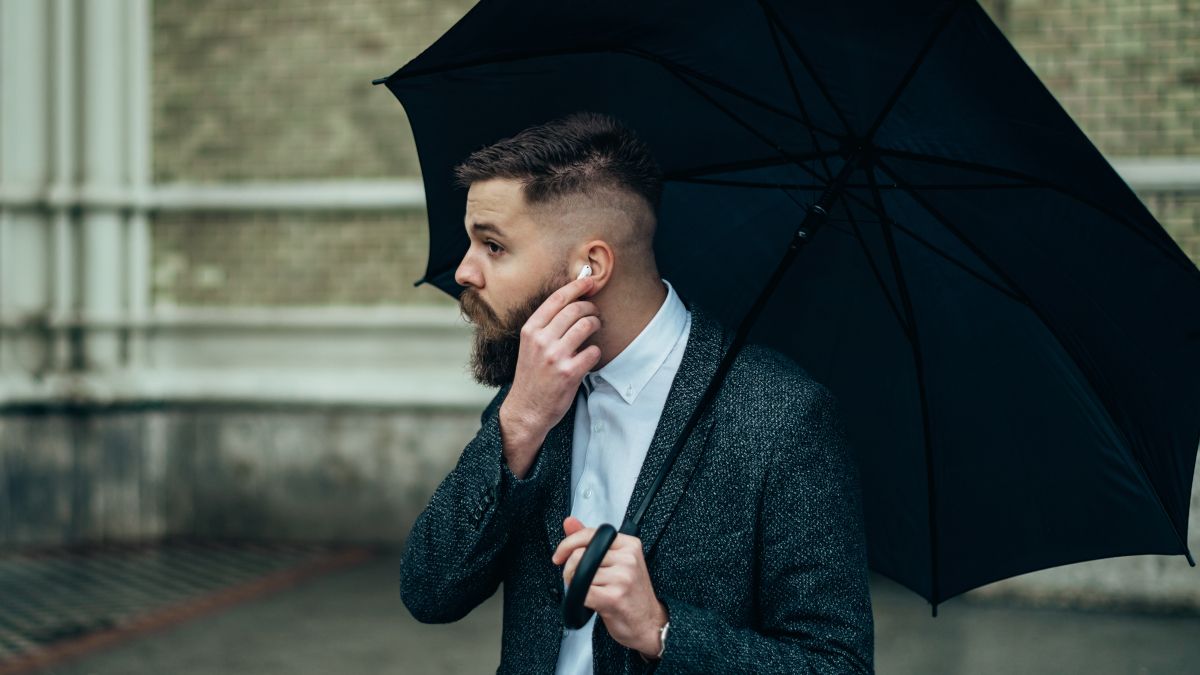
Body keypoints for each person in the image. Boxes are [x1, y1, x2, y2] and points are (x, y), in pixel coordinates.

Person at [399, 111, 874, 674]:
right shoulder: (530, 394)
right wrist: (520, 424)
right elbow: (429, 591)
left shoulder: (782, 417)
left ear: (590, 266)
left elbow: (836, 665)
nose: (464, 271)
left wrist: (662, 630)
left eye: (494, 246)